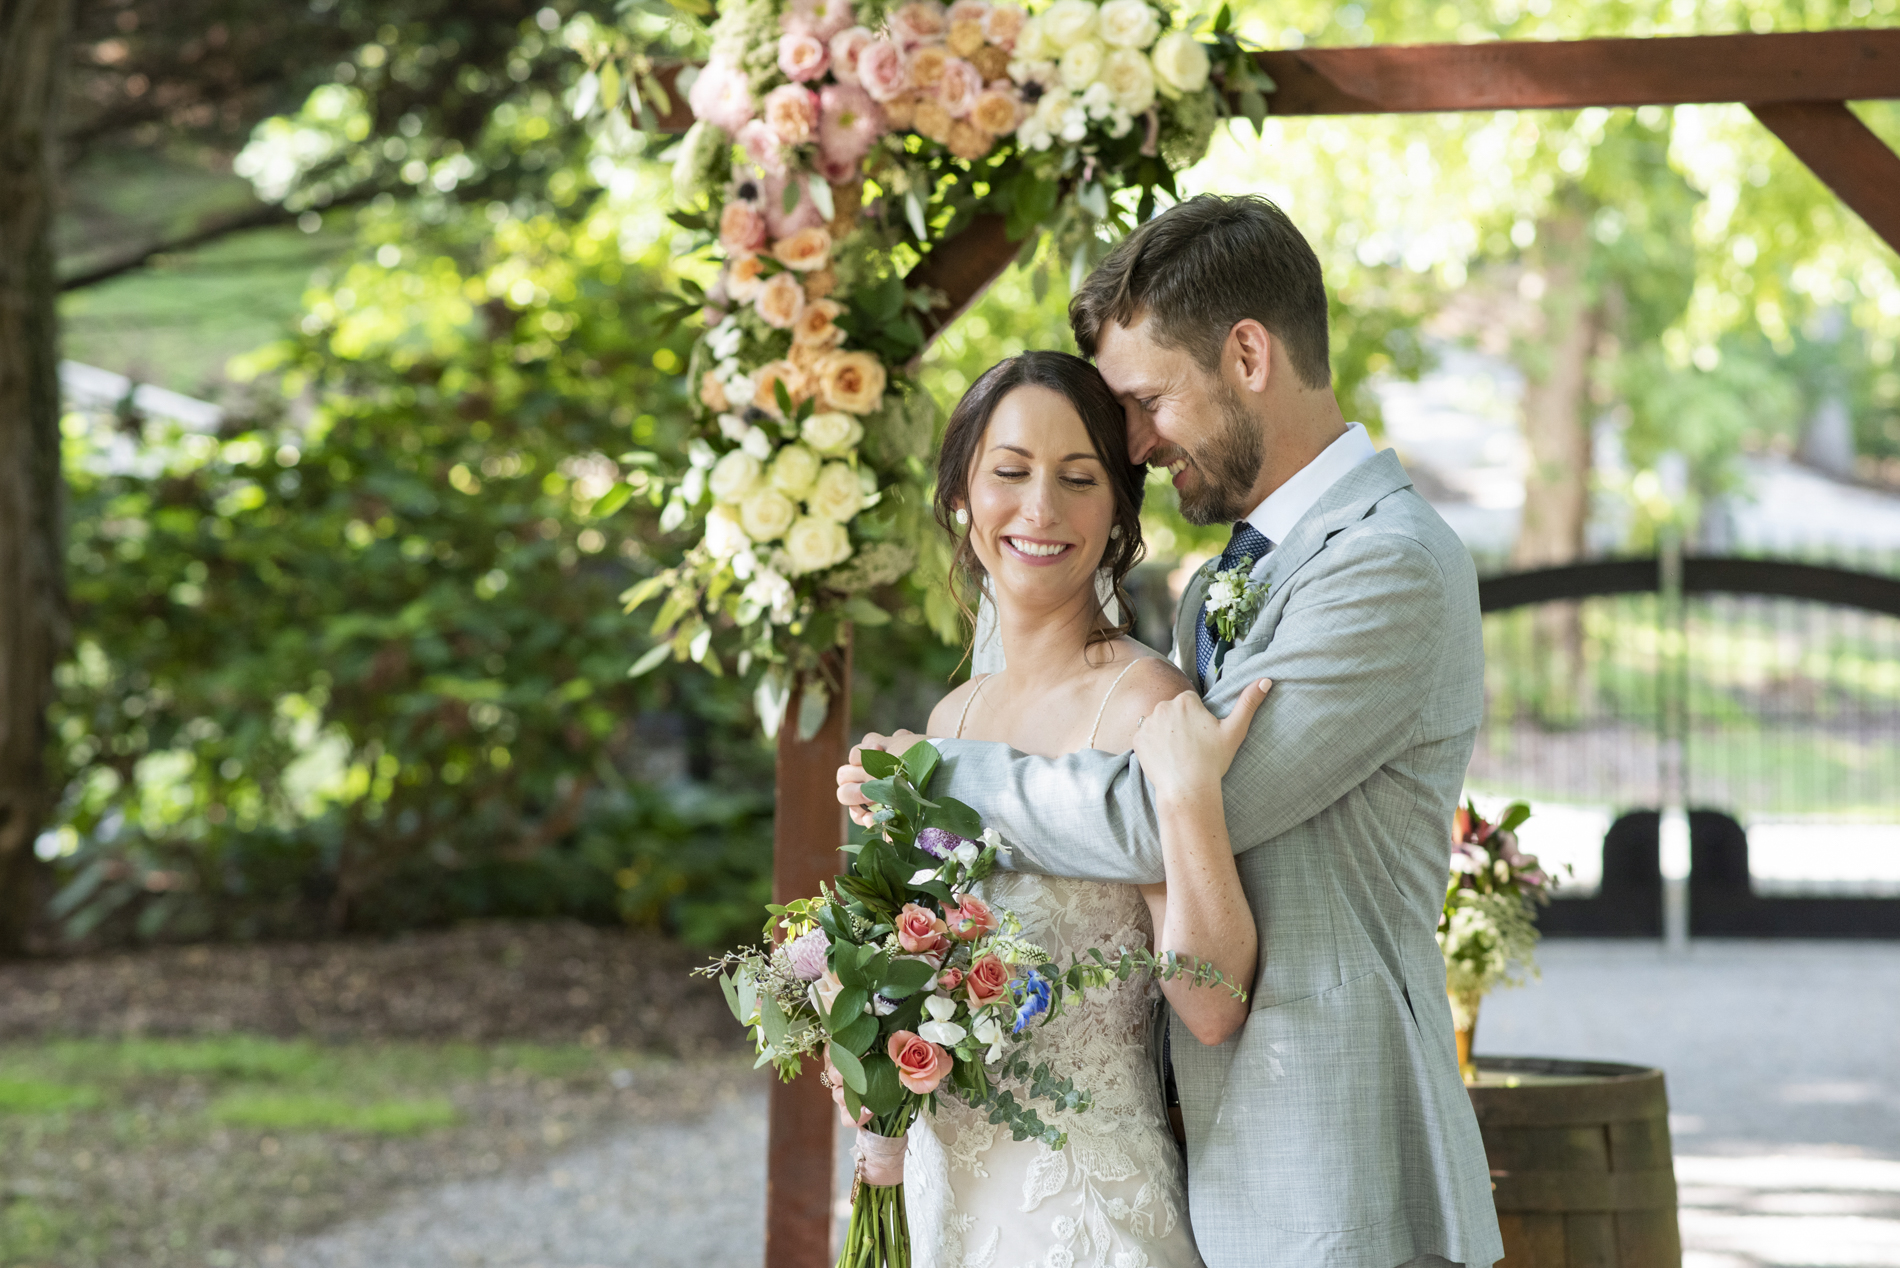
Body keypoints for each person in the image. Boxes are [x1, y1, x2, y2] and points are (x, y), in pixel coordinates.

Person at [840, 195, 1504, 1268]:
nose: (1137, 442)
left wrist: (932, 777)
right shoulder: (1226, 582)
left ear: (1247, 353)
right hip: (1191, 1164)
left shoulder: (1388, 563)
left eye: (1145, 401)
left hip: (1334, 1166)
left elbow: (1175, 806)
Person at [832, 348, 1270, 1267]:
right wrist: (864, 1037)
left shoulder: (1144, 703)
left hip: (1082, 1210)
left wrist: (1188, 800)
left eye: (1079, 478)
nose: (1040, 510)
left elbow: (1211, 1007)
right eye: (1010, 472)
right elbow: (911, 952)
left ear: (1117, 512)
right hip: (942, 1196)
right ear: (961, 494)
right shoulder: (954, 718)